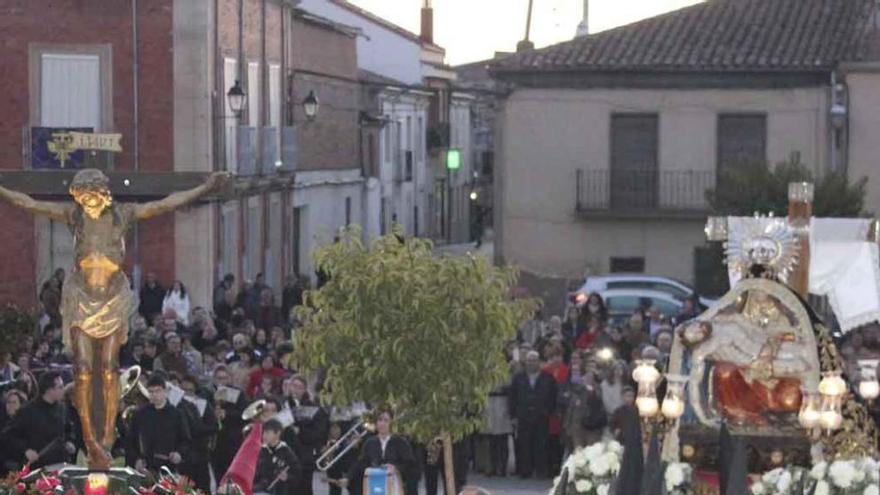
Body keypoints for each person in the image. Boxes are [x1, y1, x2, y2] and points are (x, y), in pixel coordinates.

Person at [4, 372, 77, 469]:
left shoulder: (62, 408)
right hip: (37, 467)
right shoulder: (27, 411)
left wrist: (69, 441)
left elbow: (68, 430)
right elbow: (10, 435)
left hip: (60, 464)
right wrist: (26, 450)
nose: (63, 390)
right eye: (60, 387)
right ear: (49, 390)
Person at [343, 408, 418, 495]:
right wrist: (348, 478)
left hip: (396, 487)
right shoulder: (370, 442)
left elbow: (411, 465)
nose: (382, 423)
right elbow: (361, 463)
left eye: (386, 420)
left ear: (391, 423)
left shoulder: (400, 442)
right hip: (375, 487)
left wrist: (396, 468)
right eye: (380, 420)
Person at [127, 375, 191, 474]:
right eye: (151, 392)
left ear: (165, 392)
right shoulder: (140, 414)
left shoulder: (177, 414)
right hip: (145, 467)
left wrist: (179, 454)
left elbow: (185, 440)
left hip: (169, 467)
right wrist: (136, 459)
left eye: (158, 391)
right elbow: (131, 441)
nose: (154, 395)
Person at [508, 351, 556, 479]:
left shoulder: (548, 377)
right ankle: (526, 471)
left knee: (541, 444)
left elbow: (553, 396)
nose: (531, 363)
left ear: (539, 362)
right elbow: (512, 397)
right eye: (529, 360)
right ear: (525, 362)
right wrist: (513, 415)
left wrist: (548, 411)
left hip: (541, 416)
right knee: (525, 444)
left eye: (534, 360)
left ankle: (541, 470)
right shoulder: (518, 378)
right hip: (523, 416)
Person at [282, 375, 329, 495]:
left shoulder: (313, 408)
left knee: (305, 487)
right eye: (293, 386)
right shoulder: (282, 404)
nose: (296, 389)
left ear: (304, 390)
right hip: (286, 453)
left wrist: (300, 431)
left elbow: (319, 432)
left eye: (299, 387)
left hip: (305, 454)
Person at [178, 375, 218, 492]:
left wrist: (199, 426)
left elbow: (214, 426)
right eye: (184, 390)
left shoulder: (203, 404)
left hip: (200, 453)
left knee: (203, 488)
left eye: (190, 390)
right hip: (184, 455)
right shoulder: (176, 405)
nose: (186, 393)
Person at [211, 366, 247, 479]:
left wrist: (227, 414)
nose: (221, 381)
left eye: (224, 378)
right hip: (215, 442)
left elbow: (244, 414)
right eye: (219, 378)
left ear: (229, 379)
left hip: (232, 440)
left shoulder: (238, 393)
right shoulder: (208, 392)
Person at [253, 419, 301, 495]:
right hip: (259, 489)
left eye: (267, 433)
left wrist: (287, 477)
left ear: (277, 433)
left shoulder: (287, 453)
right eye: (263, 433)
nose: (264, 436)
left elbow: (297, 475)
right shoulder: (260, 450)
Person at [0, 390, 28, 475]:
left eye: (14, 402)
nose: (10, 405)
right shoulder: (2, 422)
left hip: (20, 467)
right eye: (8, 402)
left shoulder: (27, 424)